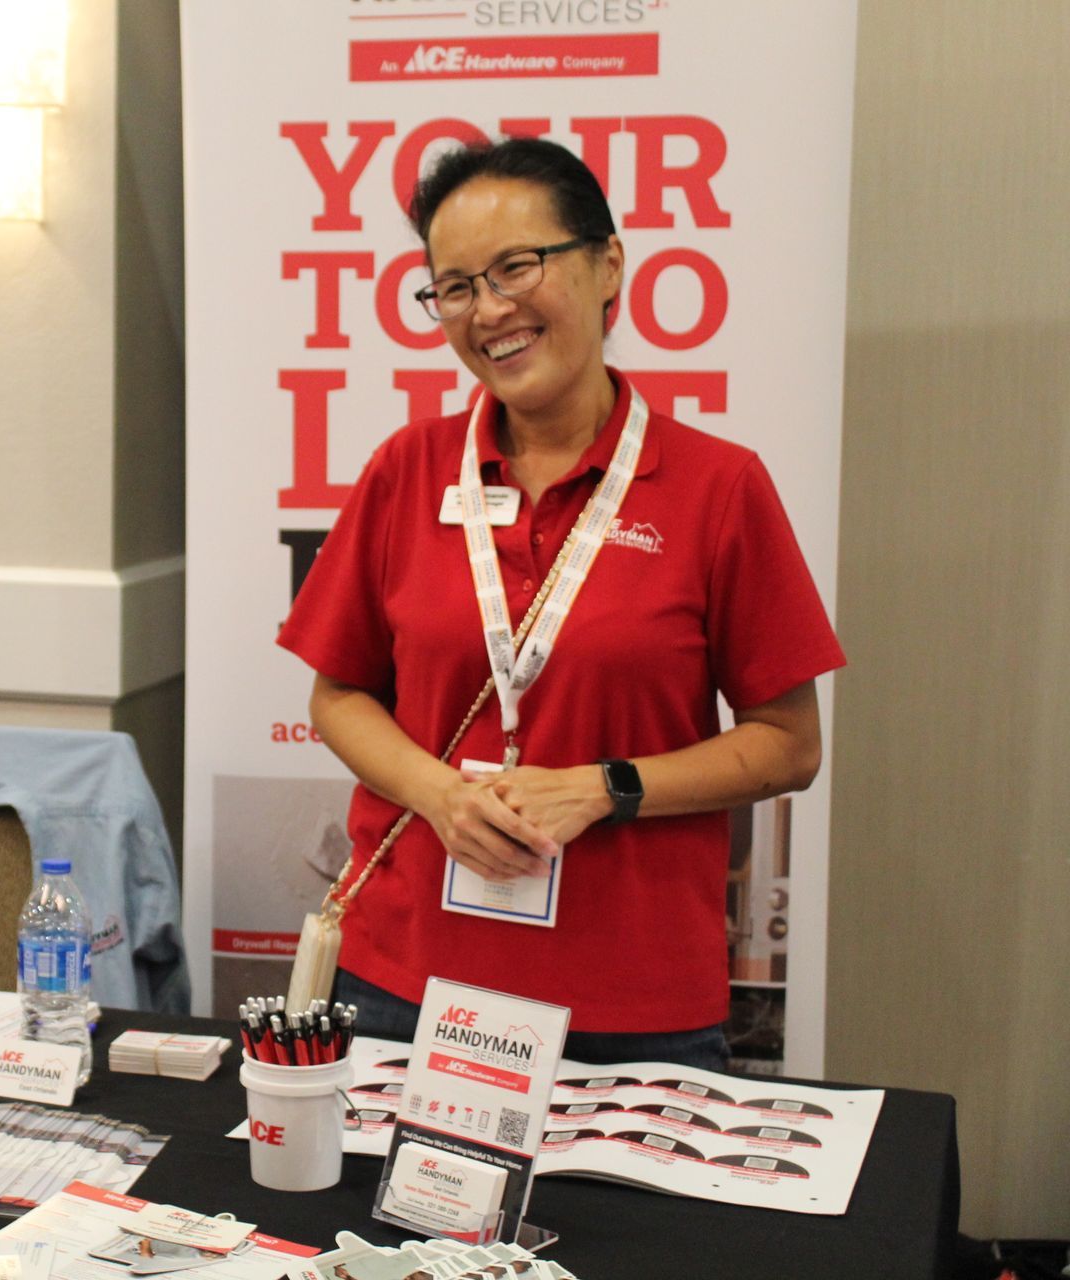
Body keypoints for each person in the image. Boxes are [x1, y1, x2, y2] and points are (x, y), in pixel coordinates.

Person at [276, 137, 843, 1070]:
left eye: (517, 267)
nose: (489, 309)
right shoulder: (406, 472)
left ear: (608, 264)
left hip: (630, 998)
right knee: (373, 1223)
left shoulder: (717, 488)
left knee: (624, 1225)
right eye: (454, 286)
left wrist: (604, 787)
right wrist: (440, 794)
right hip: (404, 982)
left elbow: (789, 743)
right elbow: (337, 696)